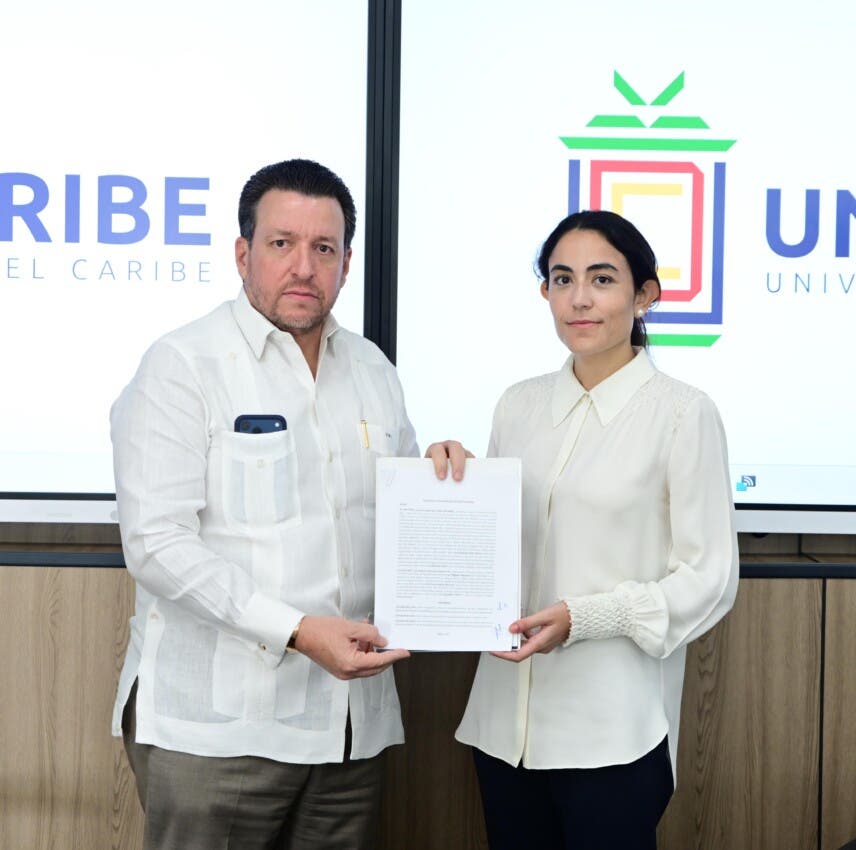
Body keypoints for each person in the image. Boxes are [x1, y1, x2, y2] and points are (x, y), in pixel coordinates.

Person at [110, 158, 462, 850]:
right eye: (282, 243)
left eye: (324, 248)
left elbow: (394, 519)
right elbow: (156, 544)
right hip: (220, 731)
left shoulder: (373, 370)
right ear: (243, 254)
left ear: (346, 263)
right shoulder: (183, 364)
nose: (304, 266)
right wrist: (298, 631)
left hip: (349, 727)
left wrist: (443, 481)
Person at [451, 210, 739, 850]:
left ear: (644, 295)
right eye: (563, 279)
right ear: (546, 292)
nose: (579, 298)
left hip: (613, 735)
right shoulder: (517, 405)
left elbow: (711, 579)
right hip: (503, 727)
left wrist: (586, 617)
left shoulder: (683, 414)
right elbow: (497, 550)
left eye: (602, 279)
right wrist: (448, 487)